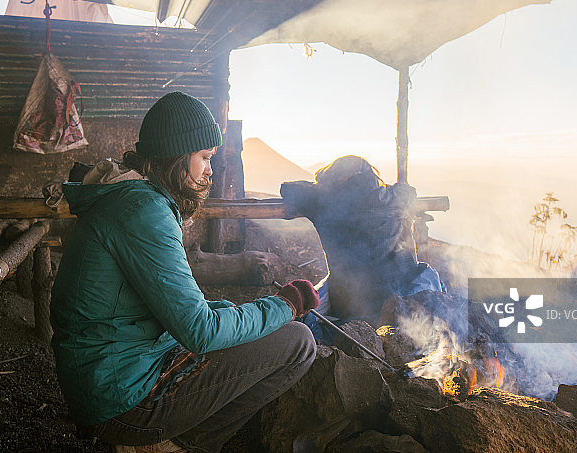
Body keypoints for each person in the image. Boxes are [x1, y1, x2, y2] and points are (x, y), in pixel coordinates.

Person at [50, 91, 319, 453]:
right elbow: (200, 332)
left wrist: (238, 311)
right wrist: (285, 305)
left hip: (109, 375)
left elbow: (178, 313)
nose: (211, 170)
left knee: (248, 327)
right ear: (177, 156)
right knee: (298, 342)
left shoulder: (129, 198)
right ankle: (180, 445)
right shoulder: (144, 212)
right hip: (120, 399)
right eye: (205, 157)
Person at [281, 155, 445, 333]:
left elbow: (288, 188)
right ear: (371, 176)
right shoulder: (390, 201)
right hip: (393, 299)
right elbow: (409, 191)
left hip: (347, 303)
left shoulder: (321, 204)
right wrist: (390, 189)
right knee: (427, 273)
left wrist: (321, 185)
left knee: (323, 290)